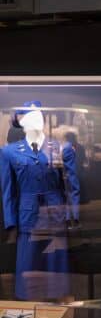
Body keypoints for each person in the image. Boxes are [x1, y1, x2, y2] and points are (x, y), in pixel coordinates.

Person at [0, 102, 79, 300]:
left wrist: (73, 215)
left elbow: (72, 185)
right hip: (27, 218)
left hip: (55, 215)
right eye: (30, 117)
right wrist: (11, 221)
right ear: (22, 122)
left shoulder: (62, 149)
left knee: (56, 275)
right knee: (27, 275)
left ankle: (58, 307)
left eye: (39, 116)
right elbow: (7, 190)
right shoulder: (9, 152)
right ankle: (28, 313)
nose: (36, 121)